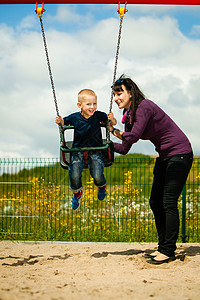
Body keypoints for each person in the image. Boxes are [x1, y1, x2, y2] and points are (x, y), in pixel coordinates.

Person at [109, 74, 193, 265]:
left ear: (130, 92)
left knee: (168, 202)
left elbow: (132, 137)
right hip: (164, 157)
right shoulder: (128, 117)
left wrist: (113, 130)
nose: (116, 98)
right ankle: (163, 245)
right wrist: (104, 144)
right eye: (114, 95)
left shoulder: (145, 106)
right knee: (155, 201)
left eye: (119, 93)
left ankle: (168, 250)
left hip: (180, 154)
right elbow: (123, 148)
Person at [55, 89, 116, 210]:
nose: (92, 107)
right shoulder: (74, 117)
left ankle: (101, 186)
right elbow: (63, 123)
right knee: (75, 173)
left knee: (98, 173)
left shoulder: (99, 115)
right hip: (77, 150)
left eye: (94, 104)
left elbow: (112, 123)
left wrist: (112, 118)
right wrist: (59, 121)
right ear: (80, 105)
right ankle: (77, 192)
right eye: (88, 104)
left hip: (96, 149)